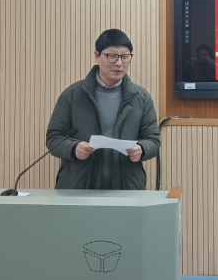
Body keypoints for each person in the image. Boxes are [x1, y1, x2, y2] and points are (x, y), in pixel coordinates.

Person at [46, 29, 160, 189]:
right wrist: (73, 148)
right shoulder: (73, 94)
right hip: (79, 190)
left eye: (125, 57)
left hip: (126, 190)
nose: (119, 63)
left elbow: (153, 140)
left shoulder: (141, 97)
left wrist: (142, 149)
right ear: (97, 56)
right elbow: (54, 138)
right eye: (112, 56)